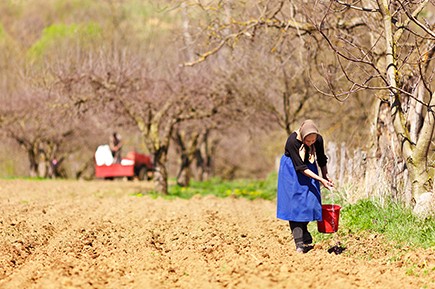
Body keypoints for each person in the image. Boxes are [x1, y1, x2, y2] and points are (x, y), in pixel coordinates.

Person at [276, 119, 334, 253]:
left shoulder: (318, 140)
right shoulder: (292, 141)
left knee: (311, 201)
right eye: (308, 141)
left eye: (313, 141)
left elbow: (321, 158)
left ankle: (304, 229)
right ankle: (299, 243)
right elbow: (300, 167)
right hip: (292, 169)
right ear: (302, 136)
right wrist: (320, 179)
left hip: (309, 166)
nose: (310, 143)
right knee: (294, 205)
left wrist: (325, 175)